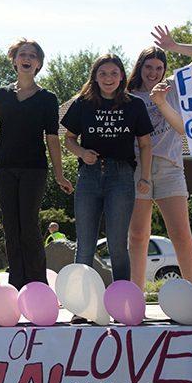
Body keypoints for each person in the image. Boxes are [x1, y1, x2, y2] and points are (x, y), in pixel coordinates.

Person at [0, 39, 73, 289]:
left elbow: (52, 138)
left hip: (34, 169)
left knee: (28, 225)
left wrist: (60, 174)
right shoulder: (1, 95)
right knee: (11, 226)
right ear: (15, 60)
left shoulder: (48, 98)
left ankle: (37, 284)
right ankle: (17, 284)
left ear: (38, 63)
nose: (27, 58)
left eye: (33, 55)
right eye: (23, 54)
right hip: (6, 169)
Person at [127, 26, 192, 290]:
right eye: (148, 67)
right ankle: (136, 295)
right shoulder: (127, 95)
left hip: (170, 167)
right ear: (139, 68)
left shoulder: (173, 86)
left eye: (158, 68)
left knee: (180, 234)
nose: (153, 73)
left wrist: (173, 46)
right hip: (137, 169)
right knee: (138, 236)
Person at [61, 54, 153, 282]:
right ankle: (81, 307)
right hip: (89, 177)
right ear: (95, 77)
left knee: (118, 246)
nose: (108, 78)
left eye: (113, 73)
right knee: (85, 246)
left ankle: (123, 304)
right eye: (102, 73)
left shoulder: (135, 105)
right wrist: (82, 153)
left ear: (122, 76)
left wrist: (145, 177)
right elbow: (69, 139)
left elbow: (145, 144)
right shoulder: (83, 103)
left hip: (121, 177)